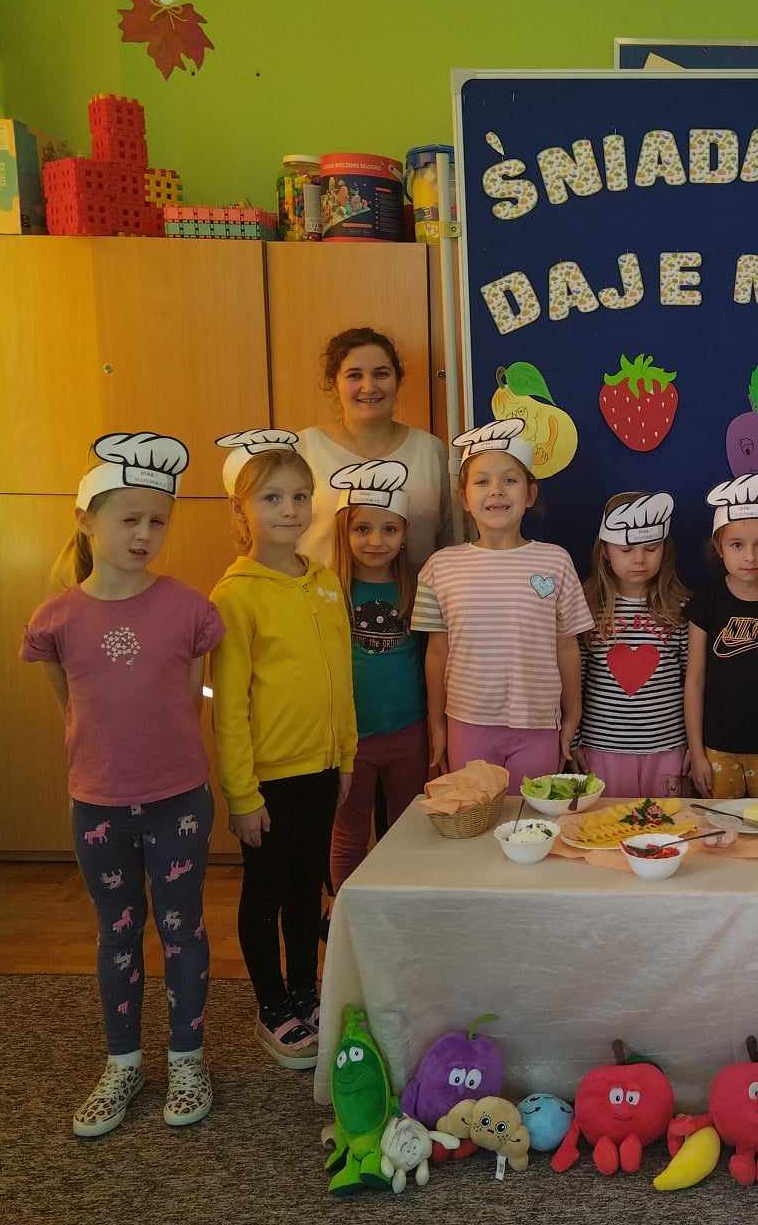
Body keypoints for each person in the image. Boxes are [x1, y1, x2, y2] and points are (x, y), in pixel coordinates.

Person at [22, 433, 220, 1137]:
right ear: (86, 521)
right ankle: (124, 1062)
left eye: (157, 521)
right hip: (98, 804)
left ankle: (188, 1058)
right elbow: (70, 705)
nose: (144, 534)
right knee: (117, 931)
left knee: (182, 930)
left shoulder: (190, 609)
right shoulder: (55, 619)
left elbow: (193, 698)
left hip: (179, 802)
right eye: (128, 519)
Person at [209, 432, 356, 1070]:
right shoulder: (234, 595)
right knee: (266, 892)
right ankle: (272, 1005)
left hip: (322, 771)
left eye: (300, 496)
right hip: (268, 781)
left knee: (306, 889)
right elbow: (229, 706)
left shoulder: (325, 582)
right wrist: (242, 795)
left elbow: (340, 677)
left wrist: (345, 756)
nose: (290, 509)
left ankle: (305, 991)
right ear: (241, 509)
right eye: (272, 498)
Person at [412, 418, 592, 794]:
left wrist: (572, 715)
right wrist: (437, 725)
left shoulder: (555, 561)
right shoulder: (440, 567)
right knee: (478, 813)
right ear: (464, 498)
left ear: (530, 494)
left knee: (534, 814)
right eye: (482, 482)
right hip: (467, 721)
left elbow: (567, 647)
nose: (496, 490)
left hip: (539, 723)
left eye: (510, 480)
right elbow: (436, 653)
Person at [325, 460, 427, 891]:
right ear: (344, 533)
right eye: (362, 529)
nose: (375, 541)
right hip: (351, 737)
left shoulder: (417, 588)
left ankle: (399, 904)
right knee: (348, 832)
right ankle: (344, 909)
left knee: (407, 829)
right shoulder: (330, 591)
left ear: (404, 535)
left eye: (389, 529)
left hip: (408, 732)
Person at [296, 326, 453, 573]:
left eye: (381, 374)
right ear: (334, 383)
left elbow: (451, 540)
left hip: (417, 596)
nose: (368, 387)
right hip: (317, 596)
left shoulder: (431, 451)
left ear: (397, 381)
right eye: (354, 375)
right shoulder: (302, 449)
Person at [686, 473, 758, 800]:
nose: (750, 556)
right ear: (718, 547)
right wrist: (696, 751)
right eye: (737, 545)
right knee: (719, 825)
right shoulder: (706, 602)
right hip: (716, 749)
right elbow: (694, 679)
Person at [575, 491, 690, 798]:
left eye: (651, 548)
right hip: (603, 747)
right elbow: (576, 680)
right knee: (607, 822)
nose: (639, 559)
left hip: (667, 747)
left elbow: (692, 680)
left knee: (665, 822)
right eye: (626, 549)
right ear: (605, 551)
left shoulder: (679, 608)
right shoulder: (587, 605)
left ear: (664, 549)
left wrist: (695, 743)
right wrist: (573, 741)